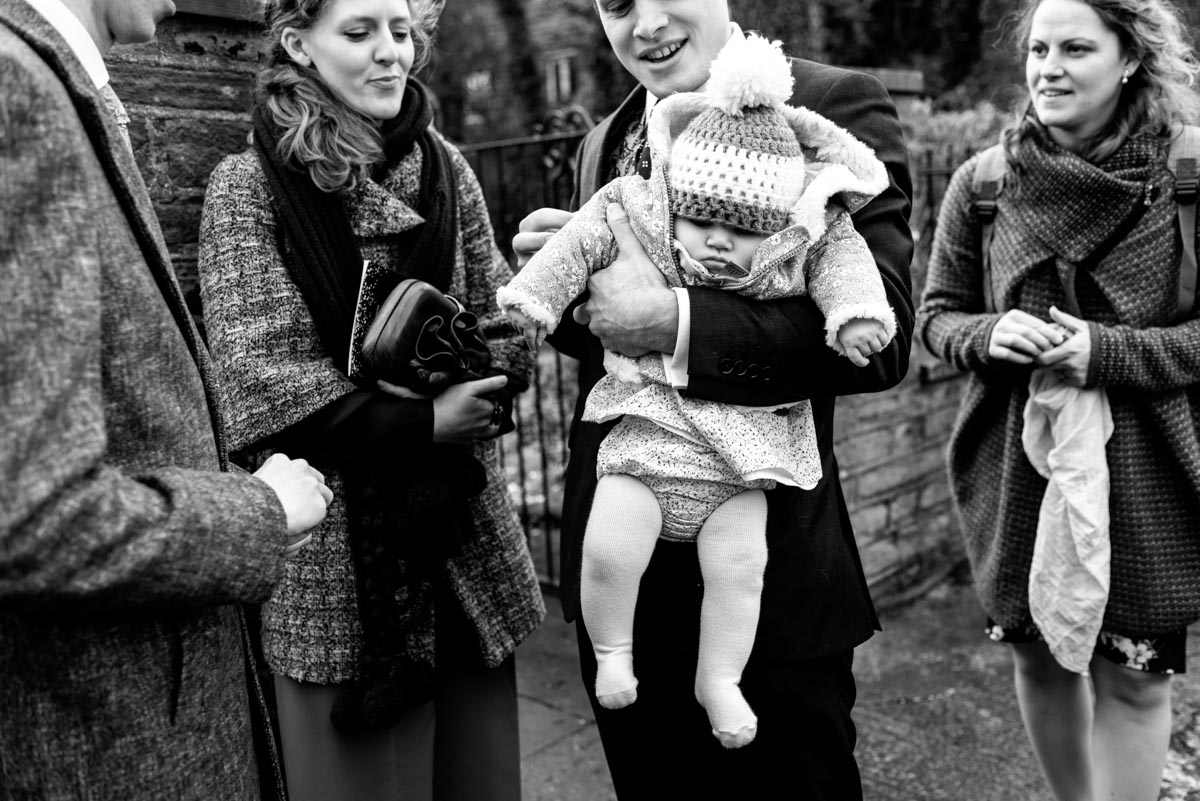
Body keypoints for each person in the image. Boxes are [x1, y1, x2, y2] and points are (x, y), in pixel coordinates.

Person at [513, 0, 915, 797]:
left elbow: (885, 338)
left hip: (767, 585)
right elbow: (608, 344)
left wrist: (675, 319)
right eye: (617, 5)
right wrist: (571, 289)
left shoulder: (831, 105)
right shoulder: (604, 139)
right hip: (622, 578)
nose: (646, 23)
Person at [196, 0, 545, 798]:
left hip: (458, 540)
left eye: (398, 31)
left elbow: (505, 317)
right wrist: (427, 418)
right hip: (338, 564)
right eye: (358, 33)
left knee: (480, 777)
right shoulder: (247, 187)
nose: (390, 53)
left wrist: (481, 370)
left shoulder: (444, 166)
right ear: (298, 44)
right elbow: (256, 381)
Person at [0, 0, 335, 796]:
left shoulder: (53, 83)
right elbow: (28, 513)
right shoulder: (15, 92)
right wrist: (257, 512)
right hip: (104, 745)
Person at [917, 0, 1200, 799]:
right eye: (1039, 48)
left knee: (1136, 680)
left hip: (1150, 472)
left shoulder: (1189, 173)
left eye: (1076, 48)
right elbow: (936, 317)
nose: (1048, 68)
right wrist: (986, 334)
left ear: (1131, 58)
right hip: (1020, 470)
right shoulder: (984, 182)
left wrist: (1105, 351)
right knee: (1039, 660)